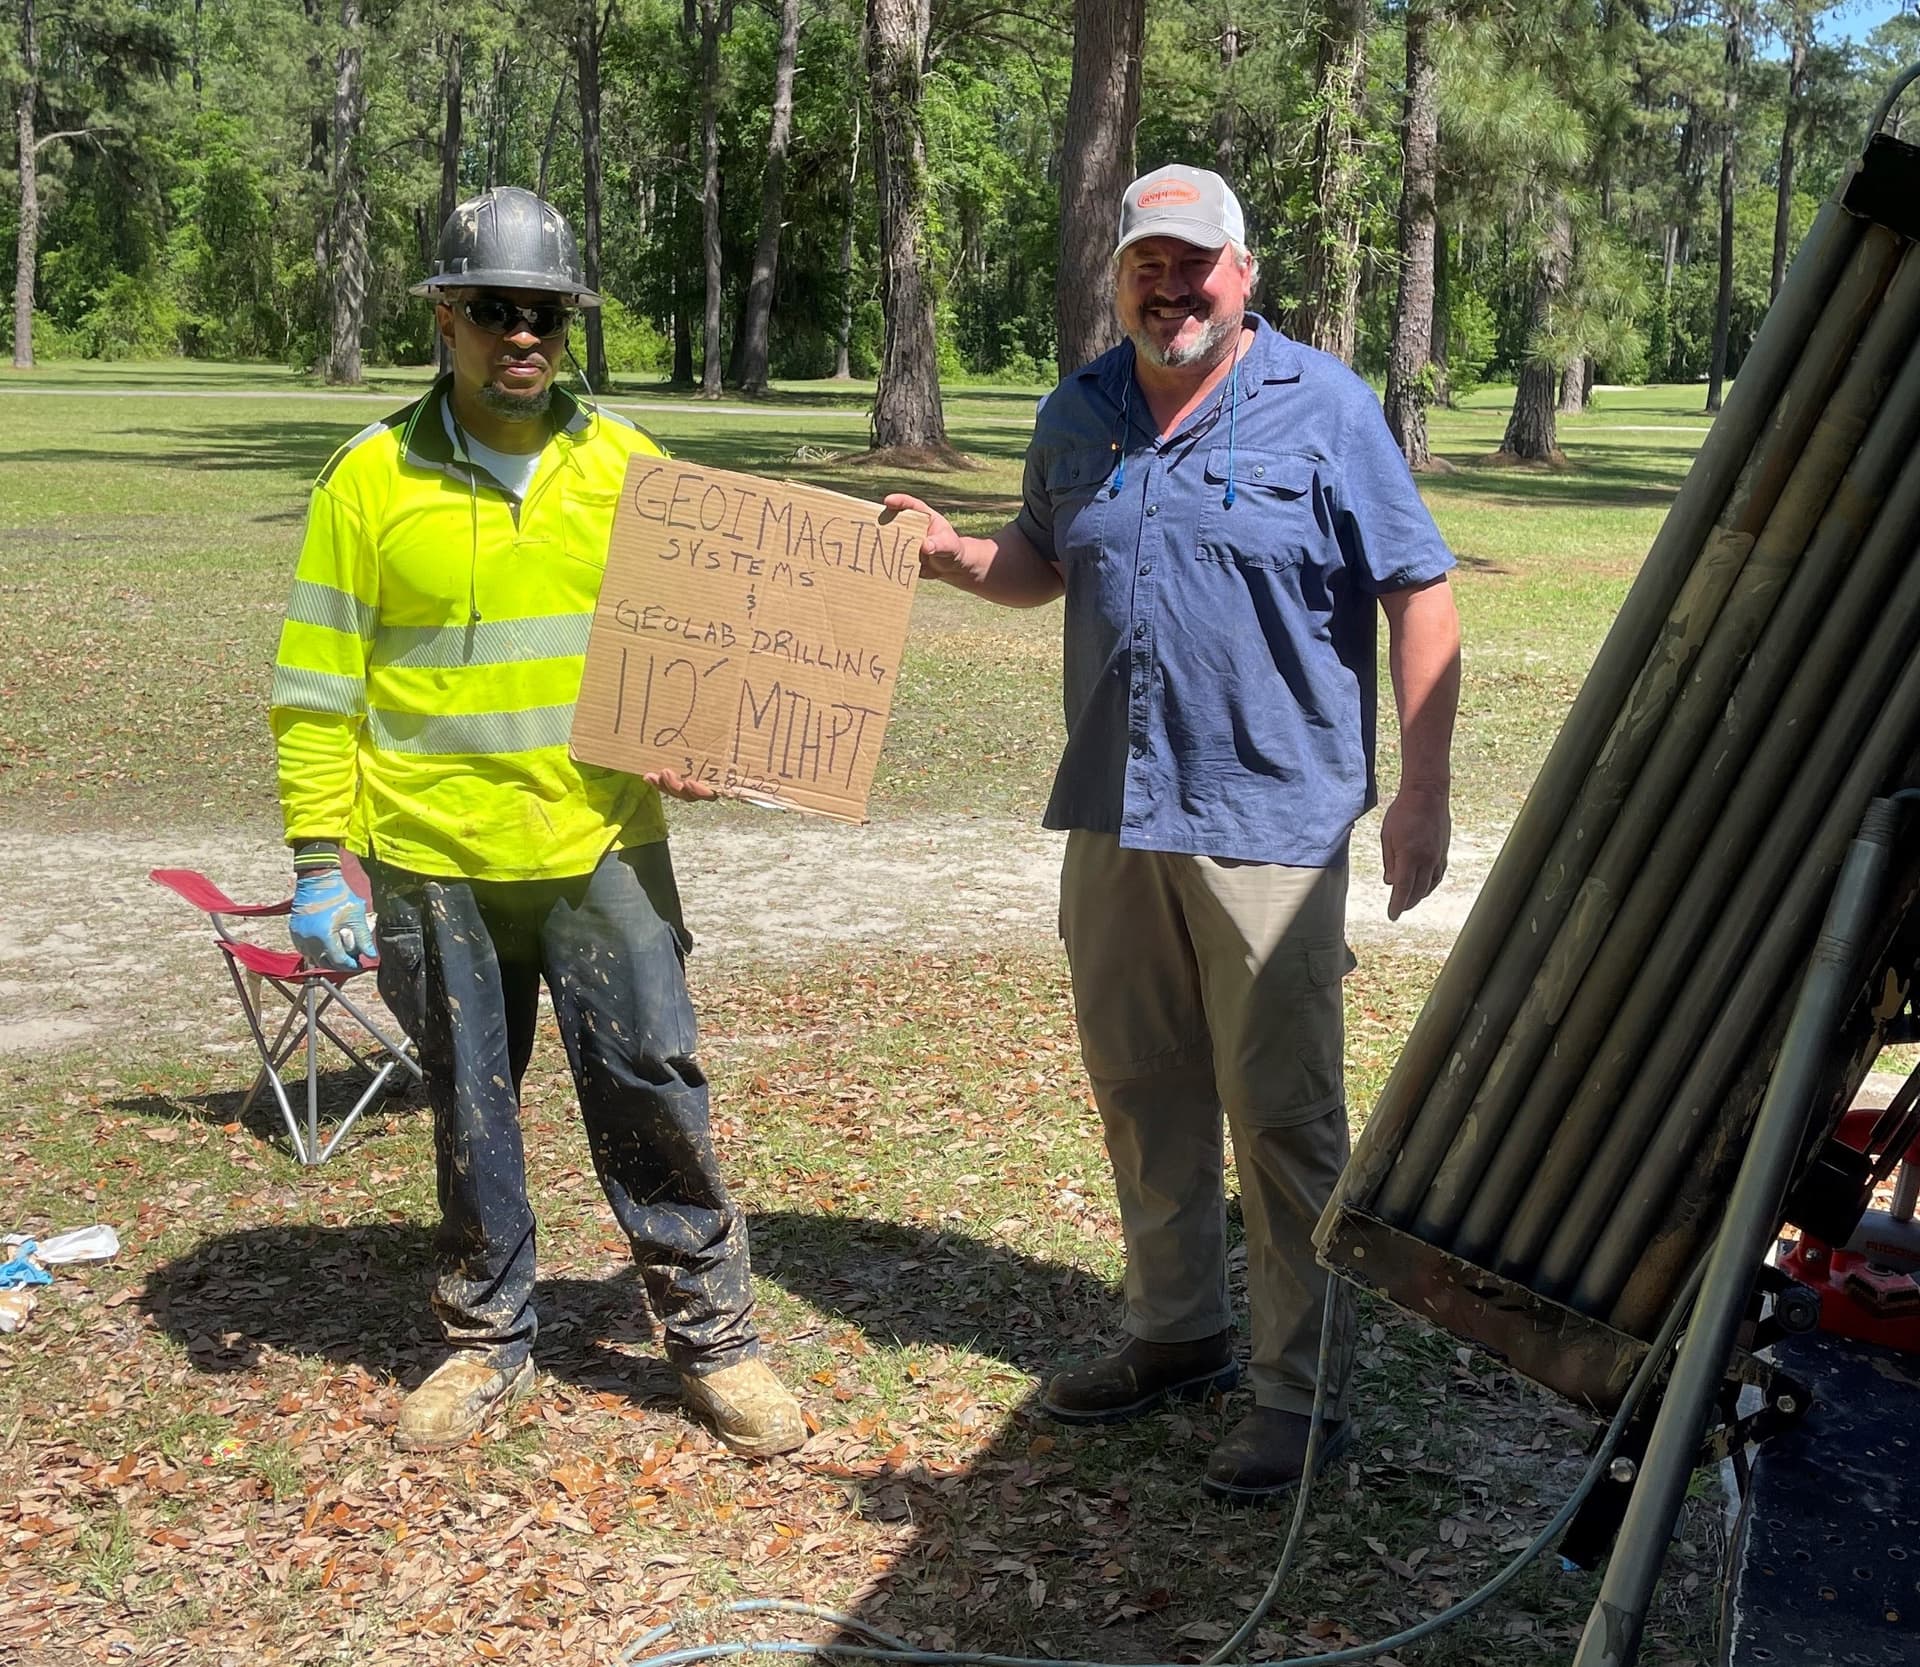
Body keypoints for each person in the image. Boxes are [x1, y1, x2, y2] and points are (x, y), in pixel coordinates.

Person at [886, 163, 1460, 1501]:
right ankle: (1178, 1331)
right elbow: (1043, 560)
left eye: (1195, 262)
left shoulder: (1324, 405)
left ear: (1242, 273)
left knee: (1283, 1114)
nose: (1170, 285)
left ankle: (1301, 1389)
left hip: (1271, 819)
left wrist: (1423, 789)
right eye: (1146, 261)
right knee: (1143, 1086)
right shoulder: (1078, 409)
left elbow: (1420, 590)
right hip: (1115, 806)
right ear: (1119, 276)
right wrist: (957, 556)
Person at [270, 185, 805, 1459]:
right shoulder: (367, 478)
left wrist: (702, 742)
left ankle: (714, 1336)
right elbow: (317, 686)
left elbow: (697, 651)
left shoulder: (631, 467)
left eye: (548, 316)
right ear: (445, 320)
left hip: (599, 844)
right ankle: (482, 1337)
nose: (525, 336)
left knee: (653, 1083)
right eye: (497, 311)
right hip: (432, 854)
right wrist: (317, 861)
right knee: (471, 1106)